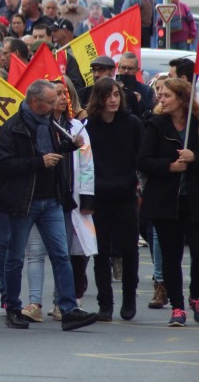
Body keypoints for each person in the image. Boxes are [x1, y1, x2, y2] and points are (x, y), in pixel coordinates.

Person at [0, 79, 98, 331]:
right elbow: (5, 165)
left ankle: (68, 309)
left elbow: (54, 149)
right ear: (35, 101)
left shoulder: (49, 123)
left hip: (51, 200)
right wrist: (39, 163)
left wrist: (69, 146)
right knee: (15, 257)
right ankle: (13, 308)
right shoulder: (12, 128)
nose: (55, 105)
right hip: (24, 201)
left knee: (61, 255)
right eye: (50, 102)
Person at [23, 78, 95, 322]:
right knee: (35, 252)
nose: (62, 98)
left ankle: (60, 303)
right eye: (57, 94)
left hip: (65, 198)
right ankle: (34, 303)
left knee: (61, 253)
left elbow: (87, 165)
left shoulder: (76, 127)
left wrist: (87, 198)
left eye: (65, 93)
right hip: (38, 195)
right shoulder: (36, 125)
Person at [138, 77, 199, 326]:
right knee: (171, 257)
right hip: (166, 202)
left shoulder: (196, 123)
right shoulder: (156, 124)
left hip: (194, 201)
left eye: (167, 96)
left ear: (182, 99)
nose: (161, 99)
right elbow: (143, 160)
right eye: (160, 95)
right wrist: (169, 166)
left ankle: (196, 296)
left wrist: (195, 157)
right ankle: (177, 307)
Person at [84, 77, 142, 321]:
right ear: (99, 98)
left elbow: (141, 157)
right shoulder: (89, 127)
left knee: (129, 251)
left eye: (117, 95)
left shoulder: (133, 123)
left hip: (125, 196)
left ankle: (129, 299)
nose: (113, 100)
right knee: (101, 254)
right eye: (108, 95)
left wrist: (136, 184)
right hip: (99, 198)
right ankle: (105, 304)